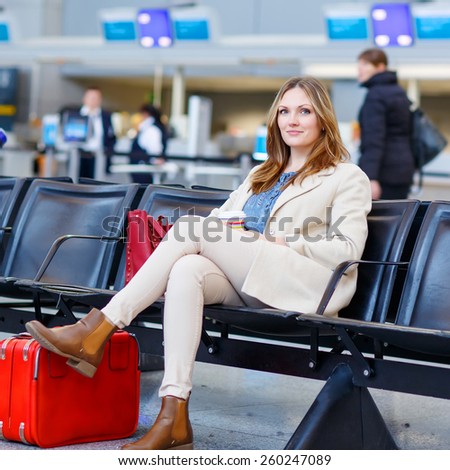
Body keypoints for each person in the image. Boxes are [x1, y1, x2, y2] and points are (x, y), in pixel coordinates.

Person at [25, 76, 371, 450]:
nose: (293, 119)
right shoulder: (262, 173)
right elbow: (222, 221)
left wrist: (282, 239)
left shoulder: (345, 176)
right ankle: (173, 415)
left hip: (300, 284)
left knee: (192, 226)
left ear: (322, 118)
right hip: (250, 280)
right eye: (285, 111)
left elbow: (347, 247)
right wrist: (232, 230)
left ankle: (97, 328)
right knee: (186, 270)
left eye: (304, 111)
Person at [356, 48, 415, 200]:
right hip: (402, 170)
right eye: (359, 65)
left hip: (384, 173)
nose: (360, 69)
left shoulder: (376, 95)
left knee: (379, 222)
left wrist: (371, 177)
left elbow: (374, 139)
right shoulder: (399, 91)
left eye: (365, 64)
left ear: (380, 67)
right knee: (400, 221)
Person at [79, 86, 117, 178]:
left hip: (98, 157)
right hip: (79, 157)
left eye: (96, 98)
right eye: (91, 97)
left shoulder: (106, 116)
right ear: (84, 99)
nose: (93, 100)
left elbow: (111, 137)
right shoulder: (76, 115)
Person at [130, 104, 168, 184]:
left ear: (145, 114)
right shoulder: (149, 128)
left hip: (145, 172)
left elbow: (155, 151)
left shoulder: (151, 130)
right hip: (143, 171)